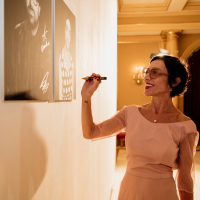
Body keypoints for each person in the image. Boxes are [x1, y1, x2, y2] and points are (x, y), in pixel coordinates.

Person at [81, 54, 199, 200]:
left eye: (155, 72)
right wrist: (86, 97)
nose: (147, 77)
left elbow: (185, 180)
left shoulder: (185, 126)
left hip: (163, 195)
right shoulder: (130, 113)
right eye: (147, 72)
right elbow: (90, 132)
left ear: (174, 82)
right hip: (129, 193)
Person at [5, 0, 52, 100]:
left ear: (39, 9)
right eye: (28, 0)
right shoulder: (17, 32)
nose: (30, 4)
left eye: (35, 1)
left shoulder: (48, 37)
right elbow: (10, 73)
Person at [59, 19, 74, 100]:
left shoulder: (71, 60)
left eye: (70, 32)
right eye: (66, 29)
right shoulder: (60, 59)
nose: (68, 35)